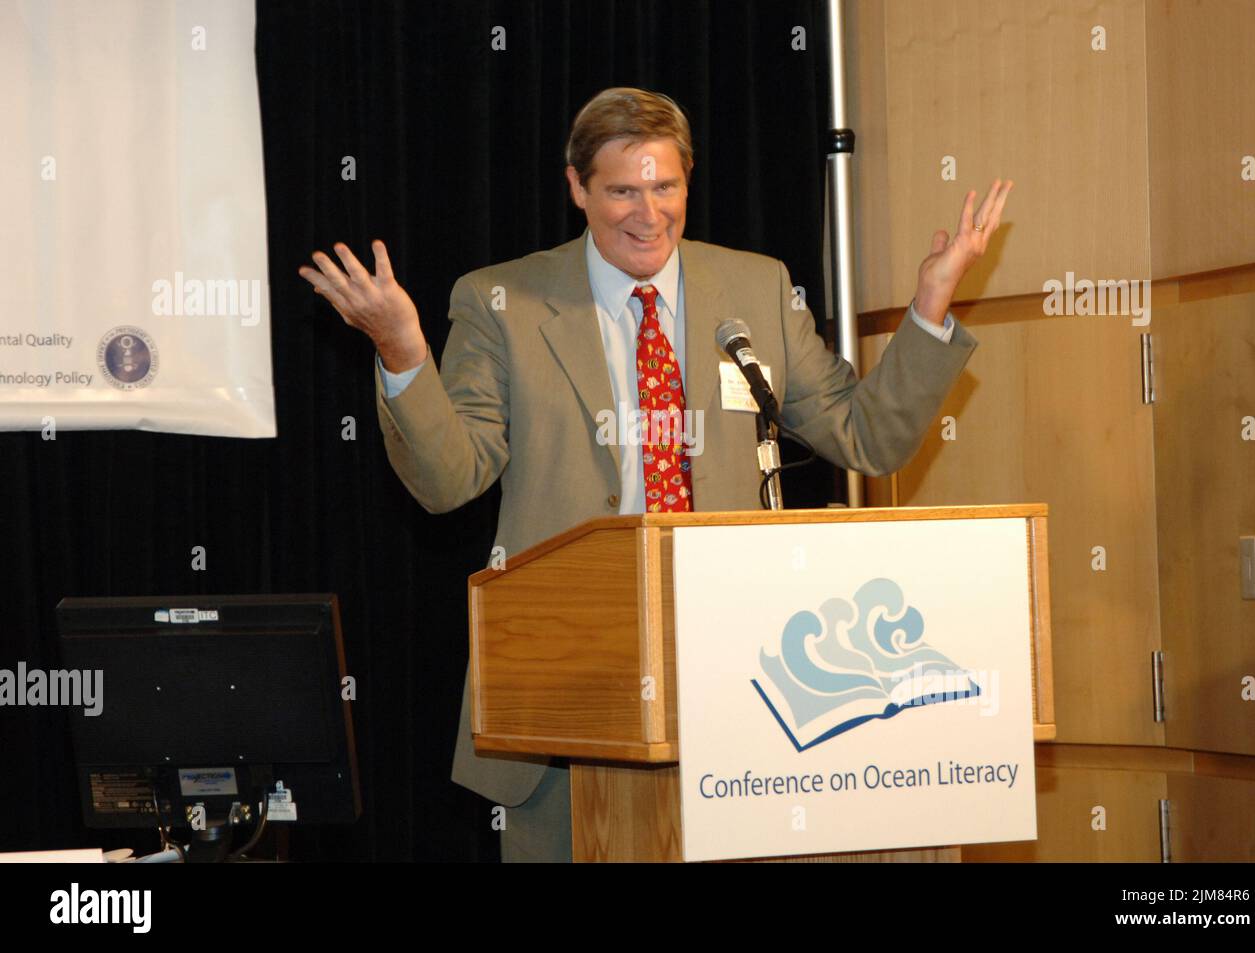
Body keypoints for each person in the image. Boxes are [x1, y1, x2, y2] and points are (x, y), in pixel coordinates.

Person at [299, 87, 1012, 862]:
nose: (649, 213)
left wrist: (931, 304)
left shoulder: (756, 288)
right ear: (577, 188)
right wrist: (405, 351)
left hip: (744, 678)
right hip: (573, 688)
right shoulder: (501, 301)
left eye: (665, 187)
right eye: (622, 191)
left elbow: (866, 436)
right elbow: (449, 480)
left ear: (690, 180)